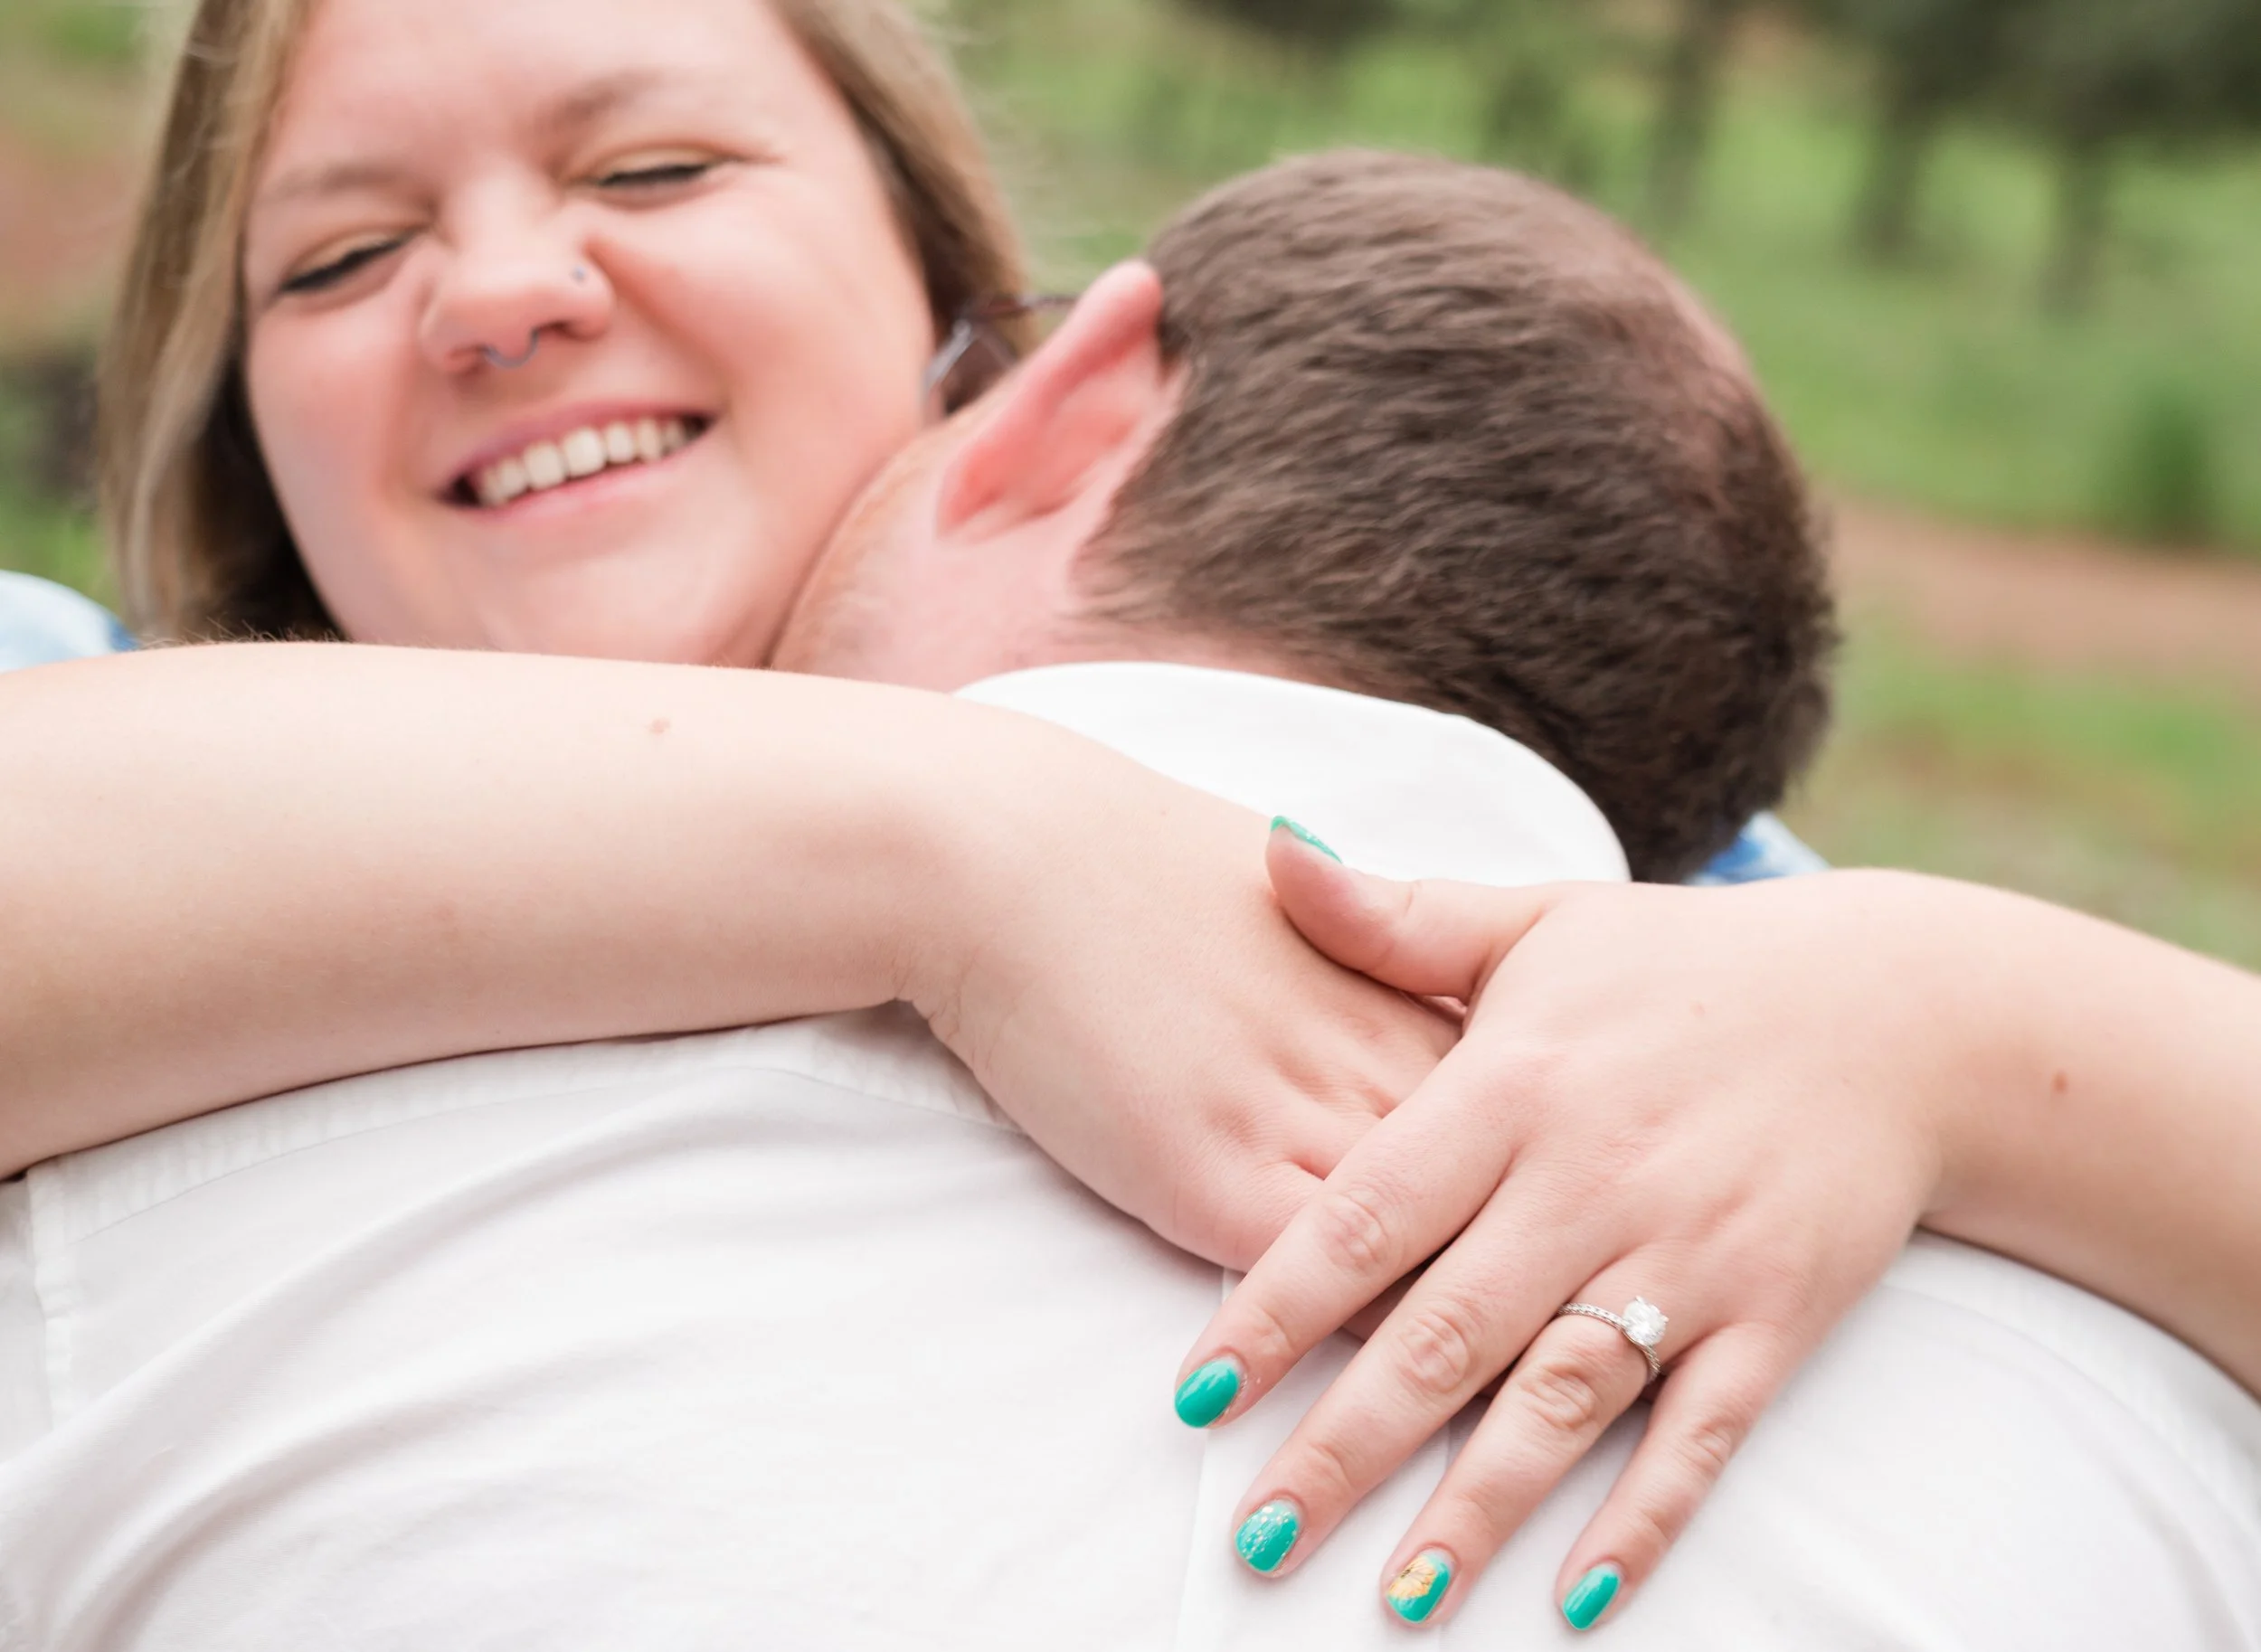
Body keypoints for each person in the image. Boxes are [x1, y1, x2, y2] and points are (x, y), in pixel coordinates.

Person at [5, 142, 2258, 1649]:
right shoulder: (2140, 1376)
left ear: (1052, 388)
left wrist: (1944, 1022)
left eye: (662, 165)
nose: (506, 295)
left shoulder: (163, 1138)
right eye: (330, 255)